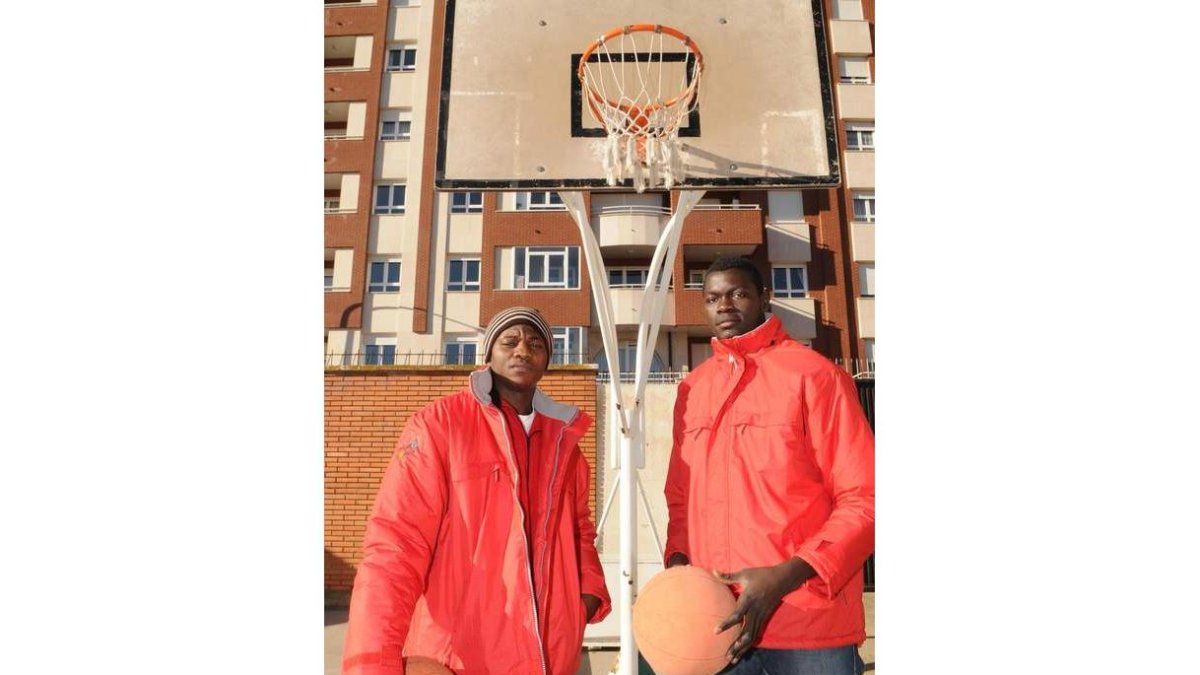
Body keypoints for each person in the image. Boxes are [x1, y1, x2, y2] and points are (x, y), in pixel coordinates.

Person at [342, 307, 611, 675]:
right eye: (509, 341)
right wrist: (372, 664)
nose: (522, 350)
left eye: (536, 343)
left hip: (551, 653)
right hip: (461, 658)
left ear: (548, 359)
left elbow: (580, 528)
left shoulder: (566, 445)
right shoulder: (440, 425)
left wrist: (584, 600)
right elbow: (396, 546)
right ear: (488, 354)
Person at [663, 256, 874, 674]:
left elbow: (865, 497)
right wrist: (679, 568)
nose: (724, 306)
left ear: (764, 297)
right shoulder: (693, 390)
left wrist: (787, 576)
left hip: (809, 623)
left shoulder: (815, 376)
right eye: (712, 298)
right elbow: (681, 500)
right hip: (720, 628)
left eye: (737, 293)